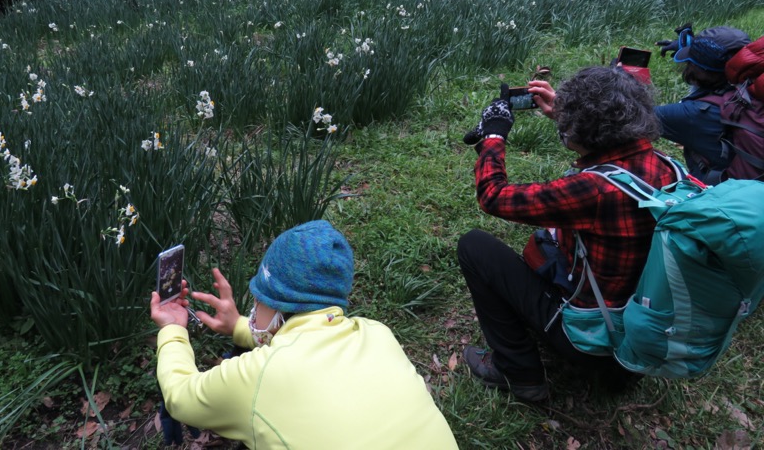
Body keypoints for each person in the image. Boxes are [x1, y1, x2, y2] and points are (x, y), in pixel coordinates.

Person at [457, 66, 681, 402]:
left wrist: (494, 136)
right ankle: (619, 373)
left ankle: (518, 373)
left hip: (593, 337)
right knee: (545, 242)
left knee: (475, 247)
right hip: (646, 328)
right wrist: (566, 115)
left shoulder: (593, 190)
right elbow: (602, 148)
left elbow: (493, 196)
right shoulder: (667, 166)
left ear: (583, 131)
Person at [150, 219, 459, 450]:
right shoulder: (377, 334)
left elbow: (180, 396)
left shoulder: (261, 376)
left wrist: (173, 327)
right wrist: (239, 328)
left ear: (278, 302)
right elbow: (301, 339)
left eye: (259, 296)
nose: (254, 304)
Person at [654, 24, 751, 183]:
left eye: (690, 62)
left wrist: (623, 82)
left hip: (728, 199)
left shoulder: (695, 114)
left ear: (699, 69)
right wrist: (688, 46)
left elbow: (634, 116)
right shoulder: (753, 87)